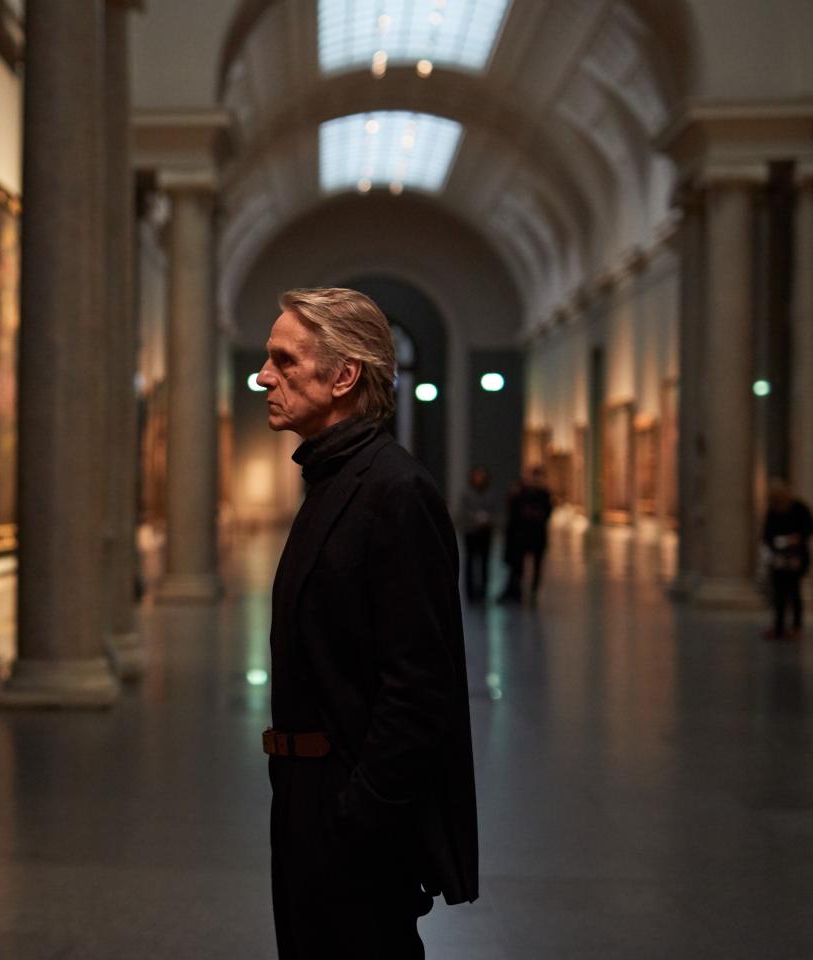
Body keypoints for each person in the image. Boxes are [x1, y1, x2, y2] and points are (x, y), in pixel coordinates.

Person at [255, 287, 478, 958]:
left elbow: (420, 686)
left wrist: (362, 813)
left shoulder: (395, 491)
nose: (263, 377)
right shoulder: (334, 479)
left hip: (349, 817)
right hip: (307, 800)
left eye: (284, 360)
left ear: (344, 376)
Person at [761, 480, 813, 640]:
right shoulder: (773, 511)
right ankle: (779, 626)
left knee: (794, 591)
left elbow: (811, 528)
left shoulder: (799, 508)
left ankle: (796, 627)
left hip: (797, 554)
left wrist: (797, 537)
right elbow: (767, 534)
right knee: (778, 592)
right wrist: (776, 543)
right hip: (779, 555)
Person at [499, 466, 553, 605]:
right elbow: (514, 511)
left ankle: (533, 591)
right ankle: (519, 590)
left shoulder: (544, 494)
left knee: (537, 565)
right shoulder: (522, 493)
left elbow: (547, 512)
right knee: (520, 564)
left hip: (538, 536)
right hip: (524, 536)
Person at [458, 467, 499, 604]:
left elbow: (496, 512)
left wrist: (487, 519)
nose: (479, 479)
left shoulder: (491, 494)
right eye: (477, 476)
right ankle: (470, 593)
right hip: (471, 532)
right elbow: (462, 512)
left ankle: (483, 593)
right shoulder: (467, 493)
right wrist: (475, 518)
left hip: (485, 532)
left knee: (485, 562)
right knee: (470, 562)